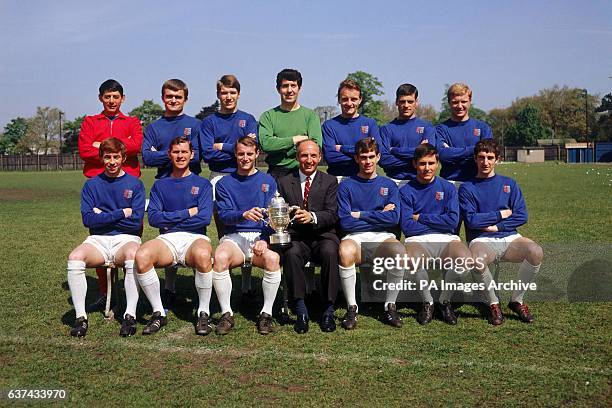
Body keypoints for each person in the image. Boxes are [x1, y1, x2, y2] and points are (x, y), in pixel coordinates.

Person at [134, 137, 213, 335]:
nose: (180, 156)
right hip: (168, 238)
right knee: (142, 256)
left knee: (204, 256)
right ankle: (158, 312)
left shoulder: (203, 184)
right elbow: (153, 218)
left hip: (195, 237)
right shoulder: (160, 185)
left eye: (184, 152)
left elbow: (203, 219)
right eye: (176, 152)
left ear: (192, 155)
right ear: (169, 155)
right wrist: (187, 213)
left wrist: (169, 218)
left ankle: (203, 312)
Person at [67, 138, 145, 337]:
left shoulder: (135, 184)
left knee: (132, 255)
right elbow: (88, 220)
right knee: (75, 258)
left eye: (116, 157)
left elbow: (135, 223)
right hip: (98, 240)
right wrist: (121, 213)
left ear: (124, 158)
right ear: (101, 158)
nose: (112, 161)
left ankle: (130, 315)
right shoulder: (91, 185)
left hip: (127, 238)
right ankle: (81, 317)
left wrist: (101, 215)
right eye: (107, 157)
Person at [459, 139, 543, 325]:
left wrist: (497, 226)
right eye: (481, 157)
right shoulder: (467, 187)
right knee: (477, 260)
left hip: (510, 237)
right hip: (482, 240)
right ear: (475, 159)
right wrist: (501, 214)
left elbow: (521, 216)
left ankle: (517, 300)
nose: (485, 162)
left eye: (490, 157)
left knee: (536, 252)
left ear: (498, 159)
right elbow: (472, 220)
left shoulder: (509, 184)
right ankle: (493, 304)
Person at [78, 79, 143, 312]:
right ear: (100, 98)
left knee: (130, 233)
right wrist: (115, 148)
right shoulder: (90, 121)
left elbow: (136, 146)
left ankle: (129, 291)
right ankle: (106, 292)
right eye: (107, 97)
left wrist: (101, 145)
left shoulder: (132, 121)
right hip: (98, 183)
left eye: (116, 97)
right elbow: (84, 150)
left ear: (122, 98)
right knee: (101, 236)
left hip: (127, 182)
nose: (112, 101)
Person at [142, 79, 202, 307]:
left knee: (196, 230)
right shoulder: (154, 127)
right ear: (163, 98)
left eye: (178, 97)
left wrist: (165, 153)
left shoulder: (194, 125)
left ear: (185, 99)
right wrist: (176, 154)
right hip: (165, 184)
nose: (174, 100)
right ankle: (170, 287)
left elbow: (198, 156)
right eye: (169, 96)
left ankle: (200, 286)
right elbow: (147, 157)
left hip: (191, 184)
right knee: (166, 232)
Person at [213, 137, 281, 335]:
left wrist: (265, 239)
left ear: (257, 154)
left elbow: (273, 217)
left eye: (249, 154)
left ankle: (266, 314)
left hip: (259, 236)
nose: (245, 158)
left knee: (273, 259)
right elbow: (223, 215)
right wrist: (242, 214)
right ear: (235, 154)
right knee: (220, 258)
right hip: (234, 237)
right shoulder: (224, 183)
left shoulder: (268, 181)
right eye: (241, 153)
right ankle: (227, 313)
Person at [337, 137, 406, 330]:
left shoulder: (389, 185)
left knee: (399, 253)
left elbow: (393, 219)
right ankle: (352, 307)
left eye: (371, 157)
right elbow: (345, 221)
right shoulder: (346, 185)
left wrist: (359, 214)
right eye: (363, 157)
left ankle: (390, 305)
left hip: (383, 236)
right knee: (344, 252)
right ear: (356, 159)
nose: (367, 162)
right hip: (355, 236)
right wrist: (378, 214)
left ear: (378, 157)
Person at [400, 143, 472, 325]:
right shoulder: (406, 191)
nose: (427, 168)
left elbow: (452, 222)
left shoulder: (448, 188)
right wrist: (438, 221)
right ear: (415, 164)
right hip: (417, 239)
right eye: (422, 163)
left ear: (438, 163)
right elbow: (408, 226)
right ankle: (428, 302)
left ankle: (444, 300)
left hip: (447, 238)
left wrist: (421, 217)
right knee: (412, 259)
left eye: (431, 163)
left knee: (465, 260)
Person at [277, 139, 340, 333]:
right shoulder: (285, 182)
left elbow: (332, 214)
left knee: (330, 252)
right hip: (297, 236)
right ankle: (301, 308)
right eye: (304, 155)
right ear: (297, 157)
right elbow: (279, 214)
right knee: (291, 252)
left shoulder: (330, 181)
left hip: (323, 236)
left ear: (320, 157)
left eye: (313, 155)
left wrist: (312, 217)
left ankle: (328, 309)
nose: (309, 160)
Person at [258, 68, 322, 179]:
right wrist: (295, 140)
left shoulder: (311, 116)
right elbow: (266, 144)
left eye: (293, 85)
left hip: (303, 172)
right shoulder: (268, 116)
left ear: (299, 88)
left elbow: (315, 145)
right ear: (278, 89)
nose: (289, 90)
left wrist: (280, 145)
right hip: (276, 173)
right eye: (285, 86)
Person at [322, 79, 382, 179]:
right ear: (339, 100)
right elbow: (330, 157)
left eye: (353, 99)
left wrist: (342, 148)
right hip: (337, 179)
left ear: (360, 100)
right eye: (345, 99)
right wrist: (363, 157)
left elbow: (378, 153)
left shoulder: (370, 124)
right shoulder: (329, 126)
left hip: (365, 179)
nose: (349, 103)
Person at [435, 83, 493, 184]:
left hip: (477, 183)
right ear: (449, 103)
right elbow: (443, 155)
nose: (460, 106)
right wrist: (475, 149)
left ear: (470, 101)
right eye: (455, 102)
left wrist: (453, 151)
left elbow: (486, 155)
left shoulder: (483, 128)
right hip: (449, 184)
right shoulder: (440, 129)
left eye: (464, 101)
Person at [380, 83, 436, 186]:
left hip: (420, 182)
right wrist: (417, 158)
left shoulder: (427, 128)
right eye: (402, 101)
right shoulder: (386, 129)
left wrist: (394, 150)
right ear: (396, 102)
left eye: (410, 101)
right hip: (393, 182)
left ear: (416, 102)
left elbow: (428, 156)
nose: (406, 105)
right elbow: (383, 160)